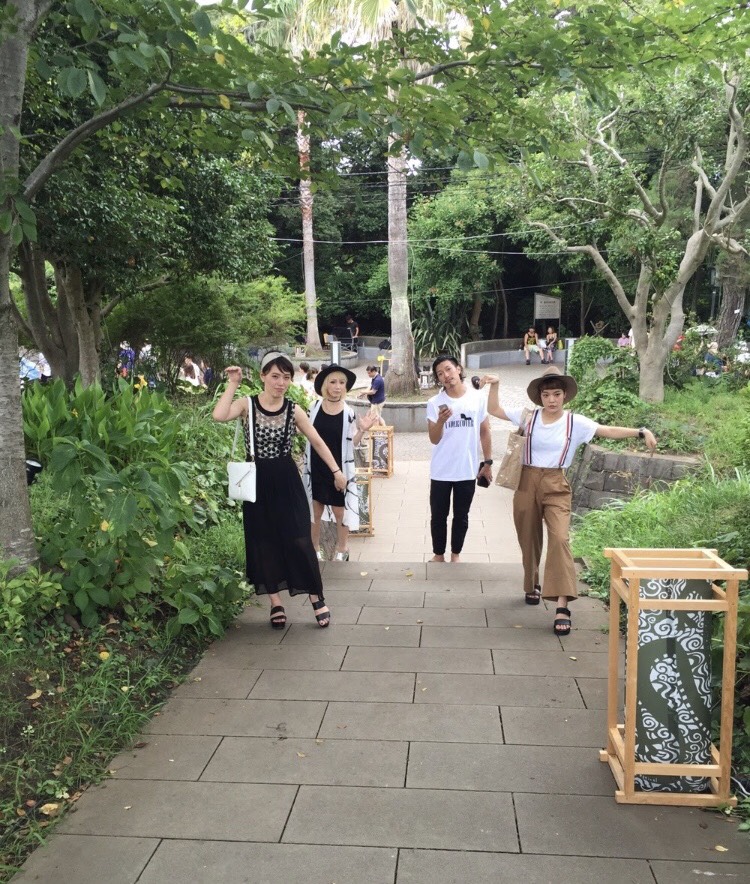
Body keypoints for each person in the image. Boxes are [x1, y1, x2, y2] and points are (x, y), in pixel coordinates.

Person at [481, 366, 657, 635]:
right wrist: (495, 384)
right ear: (540, 397)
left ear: (565, 395)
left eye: (556, 394)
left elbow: (607, 430)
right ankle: (531, 584)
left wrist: (640, 431)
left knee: (561, 539)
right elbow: (494, 409)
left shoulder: (576, 423)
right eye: (546, 395)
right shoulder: (529, 417)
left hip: (556, 484)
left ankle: (562, 605)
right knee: (528, 538)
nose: (551, 400)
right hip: (526, 482)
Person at [212, 352, 346, 629]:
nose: (280, 383)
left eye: (286, 377)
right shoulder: (247, 405)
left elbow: (318, 442)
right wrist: (233, 383)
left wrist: (336, 471)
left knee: (300, 538)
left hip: (287, 480)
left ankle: (316, 597)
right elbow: (219, 415)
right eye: (275, 376)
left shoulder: (293, 410)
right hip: (256, 482)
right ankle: (275, 602)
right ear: (262, 376)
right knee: (264, 540)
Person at [303, 364, 377, 561]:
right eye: (333, 382)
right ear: (325, 385)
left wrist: (362, 430)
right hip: (316, 466)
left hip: (340, 469)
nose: (337, 386)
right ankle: (314, 550)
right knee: (315, 510)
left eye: (342, 383)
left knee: (340, 512)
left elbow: (351, 444)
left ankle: (342, 550)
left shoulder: (348, 412)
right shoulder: (313, 408)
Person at [426, 355, 493, 563]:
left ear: (458, 369)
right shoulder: (434, 403)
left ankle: (456, 554)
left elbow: (485, 431)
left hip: (467, 469)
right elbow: (434, 439)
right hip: (441, 470)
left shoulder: (477, 398)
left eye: (448, 369)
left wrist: (488, 462)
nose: (446, 375)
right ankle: (438, 555)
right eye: (440, 374)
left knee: (461, 516)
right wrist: (440, 421)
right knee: (438, 516)